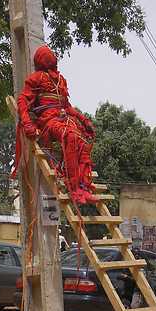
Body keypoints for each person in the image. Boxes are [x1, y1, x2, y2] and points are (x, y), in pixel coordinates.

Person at [15, 44, 97, 205]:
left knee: (82, 142)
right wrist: (27, 123)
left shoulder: (61, 80)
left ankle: (83, 186)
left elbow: (67, 106)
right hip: (48, 120)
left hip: (64, 117)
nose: (51, 57)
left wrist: (84, 120)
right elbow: (22, 101)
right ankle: (74, 188)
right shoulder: (35, 78)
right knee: (71, 136)